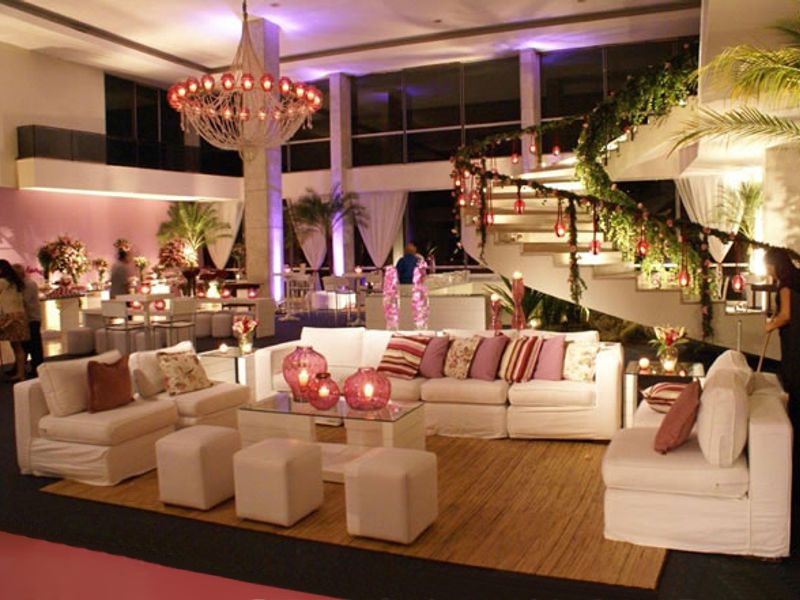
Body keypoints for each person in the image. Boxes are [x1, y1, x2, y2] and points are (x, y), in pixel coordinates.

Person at [764, 247, 800, 505]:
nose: (767, 270)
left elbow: (786, 315)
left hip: (794, 341)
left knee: (793, 377)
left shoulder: (786, 286)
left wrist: (771, 323)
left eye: (768, 265)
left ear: (776, 265)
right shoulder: (796, 280)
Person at [0, 259, 30, 382]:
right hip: (20, 316)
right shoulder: (16, 283)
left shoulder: (2, 282)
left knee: (16, 346)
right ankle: (20, 373)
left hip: (9, 316)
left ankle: (20, 373)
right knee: (17, 346)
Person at [13, 264, 43, 375]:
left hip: (32, 318)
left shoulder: (29, 284)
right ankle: (21, 367)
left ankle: (37, 368)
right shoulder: (22, 285)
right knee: (25, 345)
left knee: (34, 345)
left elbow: (25, 301)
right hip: (26, 318)